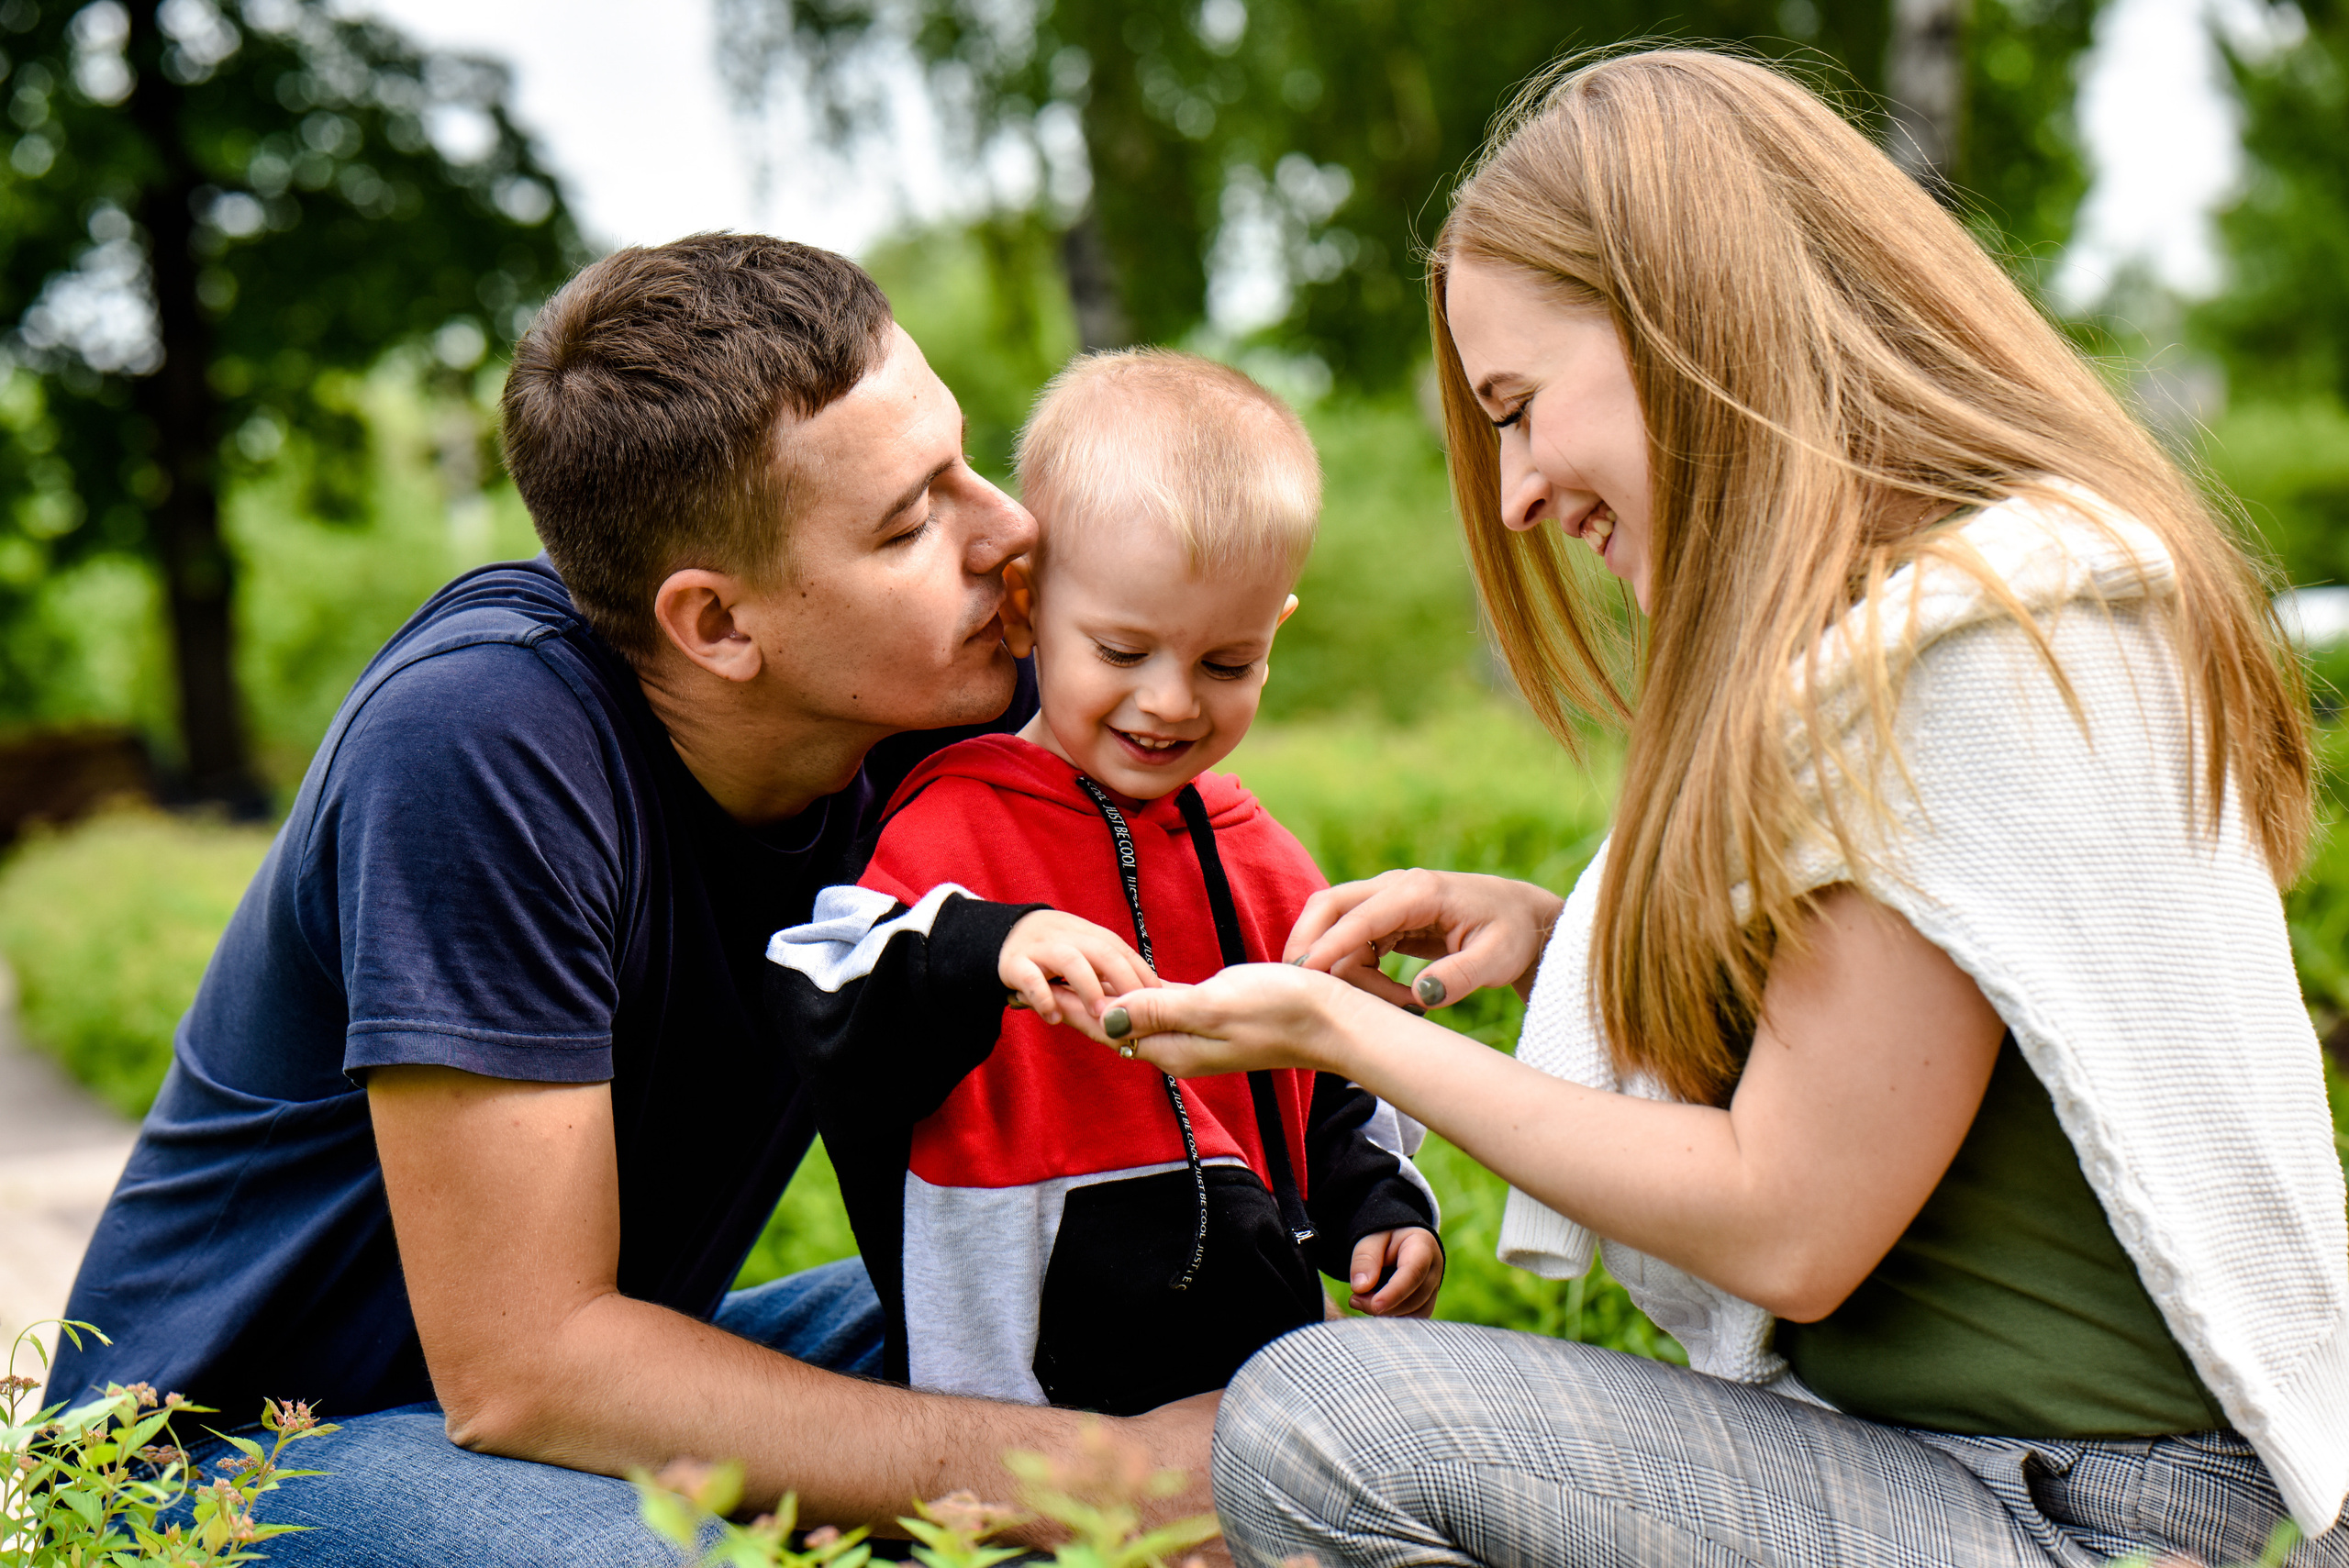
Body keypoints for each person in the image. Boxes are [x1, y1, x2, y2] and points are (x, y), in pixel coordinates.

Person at [1094, 50, 2349, 1568]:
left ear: (1683, 325)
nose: (1514, 494)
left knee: (1319, 1420)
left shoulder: (1977, 656)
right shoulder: (1968, 614)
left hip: (2086, 1515)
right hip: (1972, 1471)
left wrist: (1341, 1030)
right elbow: (1907, 1026)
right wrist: (1571, 943)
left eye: (1518, 404)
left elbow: (1790, 1223)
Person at [50, 235, 1220, 1565]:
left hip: (557, 1420)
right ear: (715, 626)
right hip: (231, 1462)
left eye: (967, 461)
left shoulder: (926, 688)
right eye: (910, 523)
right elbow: (527, 1371)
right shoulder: (482, 741)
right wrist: (1102, 1477)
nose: (1006, 530)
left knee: (1140, 1319)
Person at [763, 349, 1443, 1418]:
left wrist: (1375, 1205)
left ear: (1277, 634)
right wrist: (985, 944)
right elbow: (833, 1012)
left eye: (1228, 663)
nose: (1171, 702)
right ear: (1027, 608)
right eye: (1122, 649)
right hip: (1015, 1401)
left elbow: (1331, 1077)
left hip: (1252, 1388)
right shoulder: (951, 823)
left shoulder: (1255, 851)